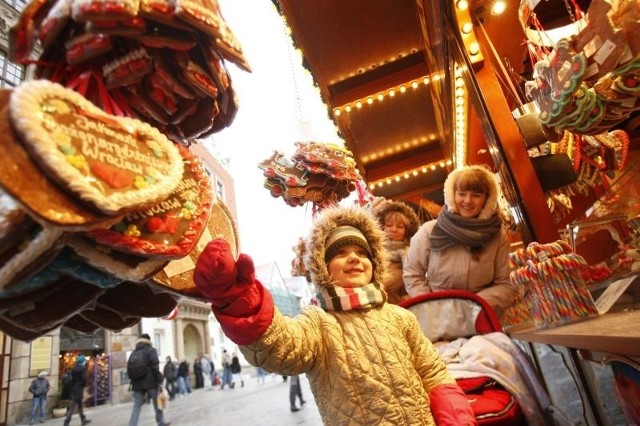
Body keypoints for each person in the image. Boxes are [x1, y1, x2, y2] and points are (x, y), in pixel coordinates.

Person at [194, 205, 476, 425]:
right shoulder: (318, 323)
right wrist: (239, 300)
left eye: (361, 252)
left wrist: (456, 417)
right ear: (323, 268)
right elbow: (281, 347)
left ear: (374, 263)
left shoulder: (399, 317)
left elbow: (433, 372)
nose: (353, 258)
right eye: (340, 253)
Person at [403, 165, 517, 319]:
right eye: (462, 194)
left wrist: (473, 306)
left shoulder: (498, 237)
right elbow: (412, 274)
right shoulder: (428, 231)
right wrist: (435, 307)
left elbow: (506, 283)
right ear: (452, 195)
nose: (467, 201)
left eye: (476, 195)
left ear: (487, 199)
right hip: (439, 319)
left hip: (483, 317)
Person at [370, 198, 420, 305]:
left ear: (407, 231)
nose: (394, 229)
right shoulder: (372, 250)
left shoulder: (408, 254)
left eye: (400, 226)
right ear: (382, 227)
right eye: (389, 225)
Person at [127, 334, 171, 426]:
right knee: (157, 404)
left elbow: (129, 370)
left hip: (136, 384)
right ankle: (161, 422)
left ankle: (132, 424)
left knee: (136, 406)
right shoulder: (151, 350)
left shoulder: (133, 353)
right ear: (149, 341)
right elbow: (155, 367)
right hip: (151, 383)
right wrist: (160, 380)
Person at [63, 355, 91, 426]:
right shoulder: (83, 368)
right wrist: (83, 385)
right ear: (83, 361)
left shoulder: (74, 368)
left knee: (80, 405)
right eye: (84, 360)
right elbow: (84, 378)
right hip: (79, 389)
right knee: (72, 407)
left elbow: (73, 378)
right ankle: (66, 422)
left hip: (74, 388)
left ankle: (83, 420)